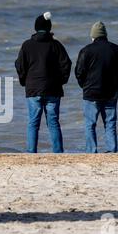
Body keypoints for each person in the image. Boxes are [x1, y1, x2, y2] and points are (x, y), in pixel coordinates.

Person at [15, 12, 72, 153]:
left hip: (33, 89)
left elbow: (19, 65)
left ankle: (31, 152)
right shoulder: (56, 45)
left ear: (35, 28)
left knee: (33, 123)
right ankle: (58, 152)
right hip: (53, 89)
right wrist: (61, 81)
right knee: (53, 123)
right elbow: (67, 64)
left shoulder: (27, 45)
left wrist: (24, 82)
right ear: (49, 28)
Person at [75, 22, 118, 153]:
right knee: (110, 124)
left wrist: (85, 86)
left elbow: (79, 72)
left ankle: (92, 151)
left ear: (93, 36)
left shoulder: (86, 50)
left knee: (90, 124)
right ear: (105, 35)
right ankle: (112, 150)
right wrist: (116, 83)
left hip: (91, 93)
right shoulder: (117, 49)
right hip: (111, 93)